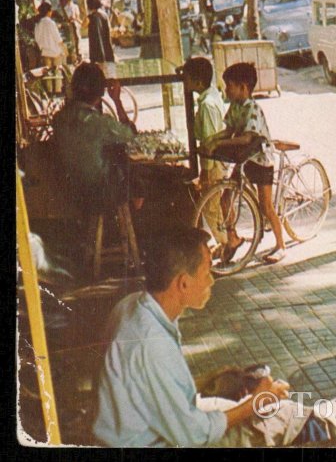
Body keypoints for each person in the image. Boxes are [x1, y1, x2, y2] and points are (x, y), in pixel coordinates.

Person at [92, 227, 295, 447]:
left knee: (267, 409)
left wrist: (210, 378)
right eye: (207, 272)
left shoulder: (133, 305)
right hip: (154, 442)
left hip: (152, 428)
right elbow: (194, 435)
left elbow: (153, 391)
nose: (212, 281)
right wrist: (255, 402)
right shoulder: (151, 345)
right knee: (278, 418)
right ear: (183, 283)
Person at [201, 62, 287, 265]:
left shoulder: (252, 109)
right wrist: (212, 139)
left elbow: (246, 138)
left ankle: (281, 245)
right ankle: (233, 237)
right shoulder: (236, 107)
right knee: (225, 199)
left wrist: (219, 142)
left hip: (261, 160)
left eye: (229, 86)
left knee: (266, 206)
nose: (226, 90)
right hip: (245, 158)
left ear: (243, 87)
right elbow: (229, 129)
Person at [51, 62, 139, 214]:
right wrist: (117, 100)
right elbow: (131, 135)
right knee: (138, 180)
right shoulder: (99, 123)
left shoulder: (59, 119)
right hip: (99, 194)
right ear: (100, 92)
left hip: (69, 191)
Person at [181, 57, 227, 257]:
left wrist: (206, 173)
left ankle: (225, 244)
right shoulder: (212, 94)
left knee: (210, 208)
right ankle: (226, 241)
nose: (184, 81)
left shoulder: (207, 105)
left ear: (198, 82)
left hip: (213, 163)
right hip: (216, 162)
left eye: (187, 78)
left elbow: (208, 143)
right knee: (214, 206)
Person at [33, 1, 66, 94]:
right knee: (57, 71)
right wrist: (64, 48)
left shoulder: (38, 24)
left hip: (45, 51)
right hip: (55, 51)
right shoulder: (51, 22)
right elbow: (57, 38)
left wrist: (42, 47)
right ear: (48, 12)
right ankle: (58, 90)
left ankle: (49, 90)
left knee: (47, 71)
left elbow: (37, 38)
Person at [86, 0, 115, 64]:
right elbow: (109, 30)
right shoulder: (104, 15)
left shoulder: (90, 17)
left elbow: (83, 25)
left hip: (96, 52)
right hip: (107, 49)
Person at [57, 0, 82, 64]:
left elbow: (71, 18)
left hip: (73, 26)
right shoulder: (72, 6)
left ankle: (77, 57)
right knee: (75, 42)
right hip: (73, 26)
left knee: (75, 41)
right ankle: (76, 57)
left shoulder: (69, 7)